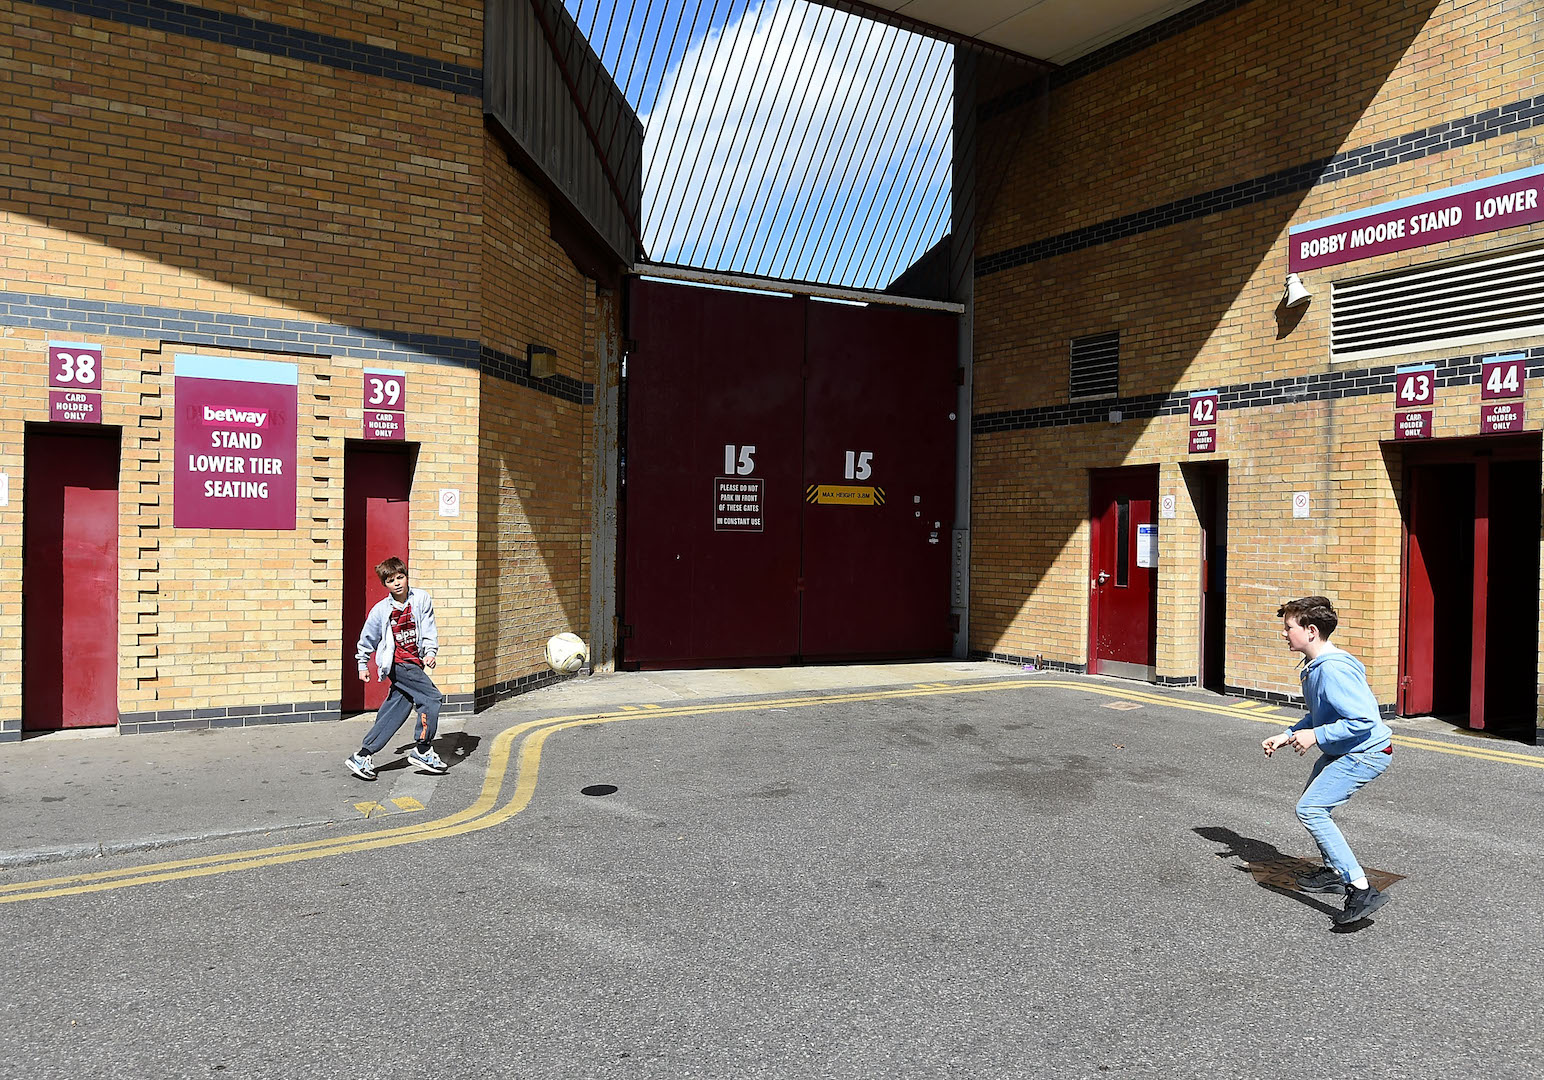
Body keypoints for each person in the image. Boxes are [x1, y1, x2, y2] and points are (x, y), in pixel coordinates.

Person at [1262, 595, 1394, 926]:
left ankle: (1362, 889)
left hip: (1364, 754)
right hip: (1344, 751)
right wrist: (1290, 733)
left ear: (1310, 631)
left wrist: (1316, 737)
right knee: (1314, 807)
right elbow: (1321, 714)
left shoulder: (1332, 669)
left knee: (1311, 809)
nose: (1284, 633)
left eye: (1288, 627)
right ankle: (1334, 871)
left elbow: (1364, 720)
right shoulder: (1318, 665)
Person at [345, 556, 449, 780]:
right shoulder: (381, 610)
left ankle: (362, 755)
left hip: (415, 662)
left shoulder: (420, 598)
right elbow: (367, 639)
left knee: (397, 709)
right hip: (398, 663)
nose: (397, 583)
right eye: (391, 581)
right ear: (385, 585)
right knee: (432, 698)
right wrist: (362, 664)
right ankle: (422, 749)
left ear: (406, 576)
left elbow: (429, 627)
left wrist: (430, 652)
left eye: (400, 577)